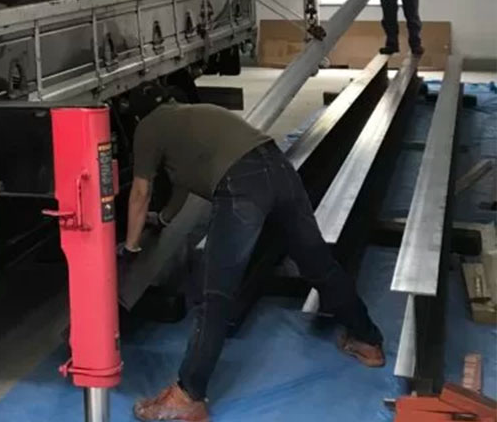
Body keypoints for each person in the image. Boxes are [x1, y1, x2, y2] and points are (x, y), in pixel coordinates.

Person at [123, 93, 385, 421]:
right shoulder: (187, 117)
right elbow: (182, 185)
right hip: (278, 168)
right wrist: (163, 219)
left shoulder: (146, 128)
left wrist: (131, 246)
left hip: (241, 184)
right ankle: (367, 339)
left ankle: (188, 395)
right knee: (318, 263)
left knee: (215, 294)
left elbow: (140, 192)